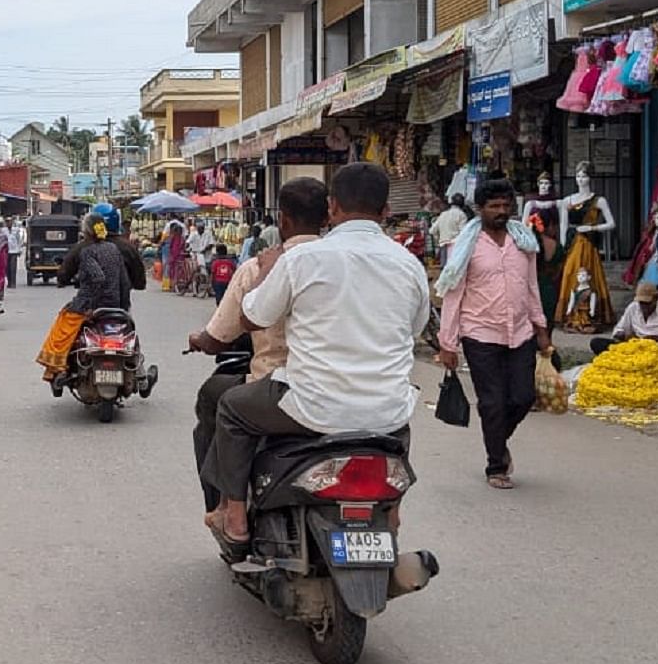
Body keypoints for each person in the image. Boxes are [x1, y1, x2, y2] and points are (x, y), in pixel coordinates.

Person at [209, 164, 429, 544]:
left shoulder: (302, 259)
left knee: (231, 407)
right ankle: (391, 514)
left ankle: (234, 514)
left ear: (332, 207)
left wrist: (268, 268)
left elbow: (251, 317)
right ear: (385, 210)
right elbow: (412, 330)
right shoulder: (408, 264)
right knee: (396, 425)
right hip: (386, 410)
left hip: (312, 405)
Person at [186, 178, 328, 523]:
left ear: (284, 219)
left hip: (281, 385)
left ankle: (226, 508)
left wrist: (200, 340)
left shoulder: (262, 267)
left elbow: (226, 332)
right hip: (348, 387)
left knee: (217, 399)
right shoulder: (343, 263)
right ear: (328, 216)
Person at [436, 178, 552, 490]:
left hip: (521, 332)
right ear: (480, 209)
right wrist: (448, 344)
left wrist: (541, 328)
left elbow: (531, 288)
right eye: (494, 206)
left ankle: (498, 440)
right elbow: (452, 295)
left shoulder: (523, 242)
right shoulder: (466, 245)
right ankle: (496, 466)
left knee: (523, 397)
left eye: (505, 206)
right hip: (479, 333)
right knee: (492, 403)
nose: (501, 211)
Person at [36, 214, 129, 385]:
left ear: (85, 232)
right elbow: (124, 281)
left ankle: (57, 369)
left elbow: (98, 278)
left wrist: (91, 307)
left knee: (62, 324)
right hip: (115, 306)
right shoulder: (113, 249)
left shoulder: (87, 252)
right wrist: (124, 307)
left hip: (88, 306)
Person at [59, 203, 145, 309]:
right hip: (120, 305)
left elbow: (96, 278)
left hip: (90, 307)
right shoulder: (123, 248)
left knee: (64, 321)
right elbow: (135, 280)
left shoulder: (84, 248)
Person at [592, 281, 658, 354]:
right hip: (635, 346)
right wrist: (621, 334)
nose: (643, 307)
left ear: (656, 299)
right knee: (597, 343)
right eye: (641, 303)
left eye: (647, 304)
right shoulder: (633, 307)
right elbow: (620, 329)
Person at [431, 193, 473, 263]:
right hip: (455, 247)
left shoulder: (443, 214)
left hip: (443, 246)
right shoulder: (461, 215)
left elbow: (432, 231)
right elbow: (463, 233)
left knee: (445, 271)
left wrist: (438, 239)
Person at [6, 217, 26, 288]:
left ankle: (13, 283)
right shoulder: (4, 230)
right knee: (7, 268)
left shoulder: (16, 230)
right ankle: (9, 282)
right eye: (7, 222)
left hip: (14, 251)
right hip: (6, 251)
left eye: (10, 221)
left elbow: (19, 240)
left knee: (13, 267)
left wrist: (19, 250)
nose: (9, 223)